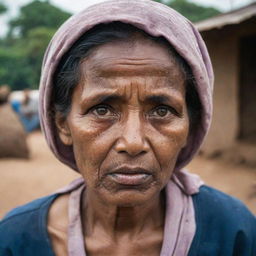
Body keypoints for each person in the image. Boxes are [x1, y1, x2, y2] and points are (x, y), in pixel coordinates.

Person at [0, 0, 255, 255]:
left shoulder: (233, 232)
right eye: (102, 110)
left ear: (191, 126)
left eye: (162, 111)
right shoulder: (15, 239)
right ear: (62, 124)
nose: (133, 143)